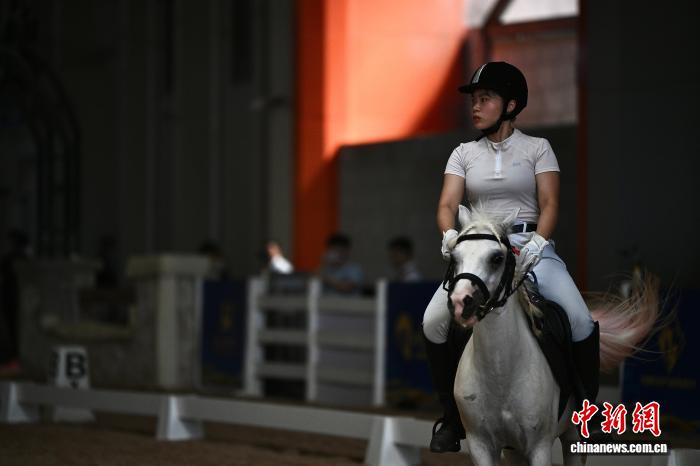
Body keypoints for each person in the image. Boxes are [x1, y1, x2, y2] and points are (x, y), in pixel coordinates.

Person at [422, 61, 599, 452]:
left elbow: (550, 203)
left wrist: (538, 243)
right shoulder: (463, 153)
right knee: (432, 322)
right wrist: (449, 234)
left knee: (580, 320)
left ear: (511, 104)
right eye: (474, 99)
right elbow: (447, 204)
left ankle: (589, 414)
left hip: (530, 249)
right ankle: (452, 419)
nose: (476, 106)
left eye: (485, 98)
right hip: (481, 253)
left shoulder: (537, 148)